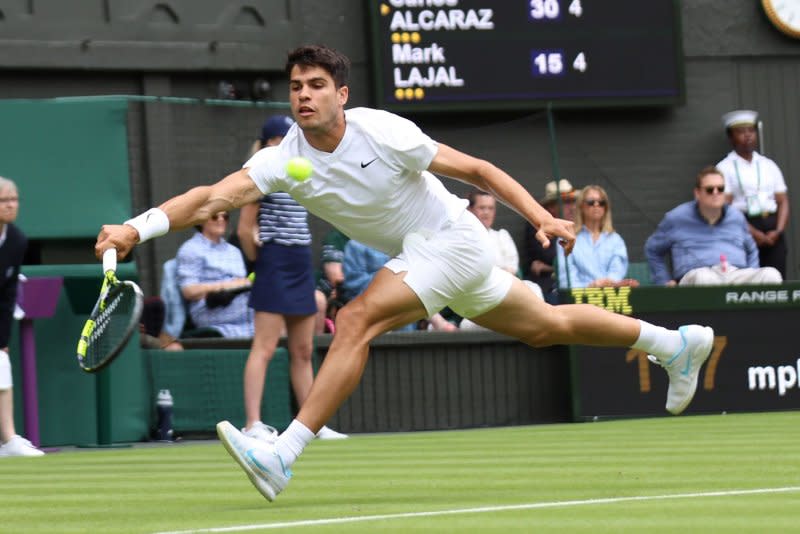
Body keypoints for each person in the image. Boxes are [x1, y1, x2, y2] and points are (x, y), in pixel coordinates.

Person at [95, 44, 715, 502]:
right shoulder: (284, 158)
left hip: (449, 240)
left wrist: (538, 217)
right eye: (294, 87)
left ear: (341, 94)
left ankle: (282, 455)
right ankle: (674, 344)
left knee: (357, 317)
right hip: (439, 257)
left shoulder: (384, 131)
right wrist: (135, 227)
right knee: (545, 326)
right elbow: (210, 197)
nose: (303, 95)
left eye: (315, 85)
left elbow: (478, 170)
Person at [237, 115, 346, 441]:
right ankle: (253, 423)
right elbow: (244, 230)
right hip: (273, 260)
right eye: (281, 137)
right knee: (265, 346)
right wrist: (262, 261)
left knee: (302, 350)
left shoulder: (302, 172)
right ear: (269, 142)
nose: (288, 142)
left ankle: (311, 424)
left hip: (300, 261)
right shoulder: (260, 171)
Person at [645, 166, 783, 286]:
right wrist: (663, 281)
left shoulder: (736, 216)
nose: (716, 193)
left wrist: (752, 271)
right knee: (704, 278)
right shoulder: (676, 218)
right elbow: (652, 250)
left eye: (721, 189)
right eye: (710, 189)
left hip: (735, 273)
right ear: (697, 193)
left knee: (771, 275)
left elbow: (751, 249)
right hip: (697, 275)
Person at [716, 110, 790, 278]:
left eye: (751, 131)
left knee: (777, 278)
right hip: (744, 227)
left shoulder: (768, 165)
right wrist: (753, 233)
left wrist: (778, 231)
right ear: (731, 137)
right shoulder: (724, 167)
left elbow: (783, 201)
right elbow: (725, 207)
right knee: (748, 280)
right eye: (741, 132)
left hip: (772, 228)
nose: (748, 136)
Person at [0, 177, 43, 457]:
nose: (10, 205)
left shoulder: (16, 240)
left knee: (1, 361)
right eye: (4, 201)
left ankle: (8, 441)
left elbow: (7, 292)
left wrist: (2, 339)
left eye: (14, 200)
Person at [460, 188, 541, 330]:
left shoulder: (501, 236)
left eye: (490, 208)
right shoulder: (462, 239)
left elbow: (512, 267)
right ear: (471, 210)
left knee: (533, 288)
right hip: (479, 299)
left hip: (505, 291)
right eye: (482, 208)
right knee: (467, 325)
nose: (486, 213)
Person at [175, 211, 254, 338]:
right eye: (215, 216)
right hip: (209, 308)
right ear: (200, 220)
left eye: (225, 217)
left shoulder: (234, 251)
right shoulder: (191, 249)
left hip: (239, 304)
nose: (221, 220)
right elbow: (189, 291)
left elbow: (242, 283)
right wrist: (228, 285)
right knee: (270, 308)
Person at [556, 185, 634, 289]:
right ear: (581, 206)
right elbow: (566, 278)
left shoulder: (616, 240)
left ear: (606, 208)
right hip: (578, 299)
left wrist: (607, 283)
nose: (596, 205)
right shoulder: (567, 237)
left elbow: (617, 271)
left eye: (601, 203)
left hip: (610, 297)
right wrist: (590, 287)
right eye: (591, 202)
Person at [523, 179, 576, 301]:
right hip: (548, 285)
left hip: (580, 284)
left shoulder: (578, 224)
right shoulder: (536, 224)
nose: (572, 207)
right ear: (551, 206)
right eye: (567, 202)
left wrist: (548, 267)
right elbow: (551, 256)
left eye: (573, 201)